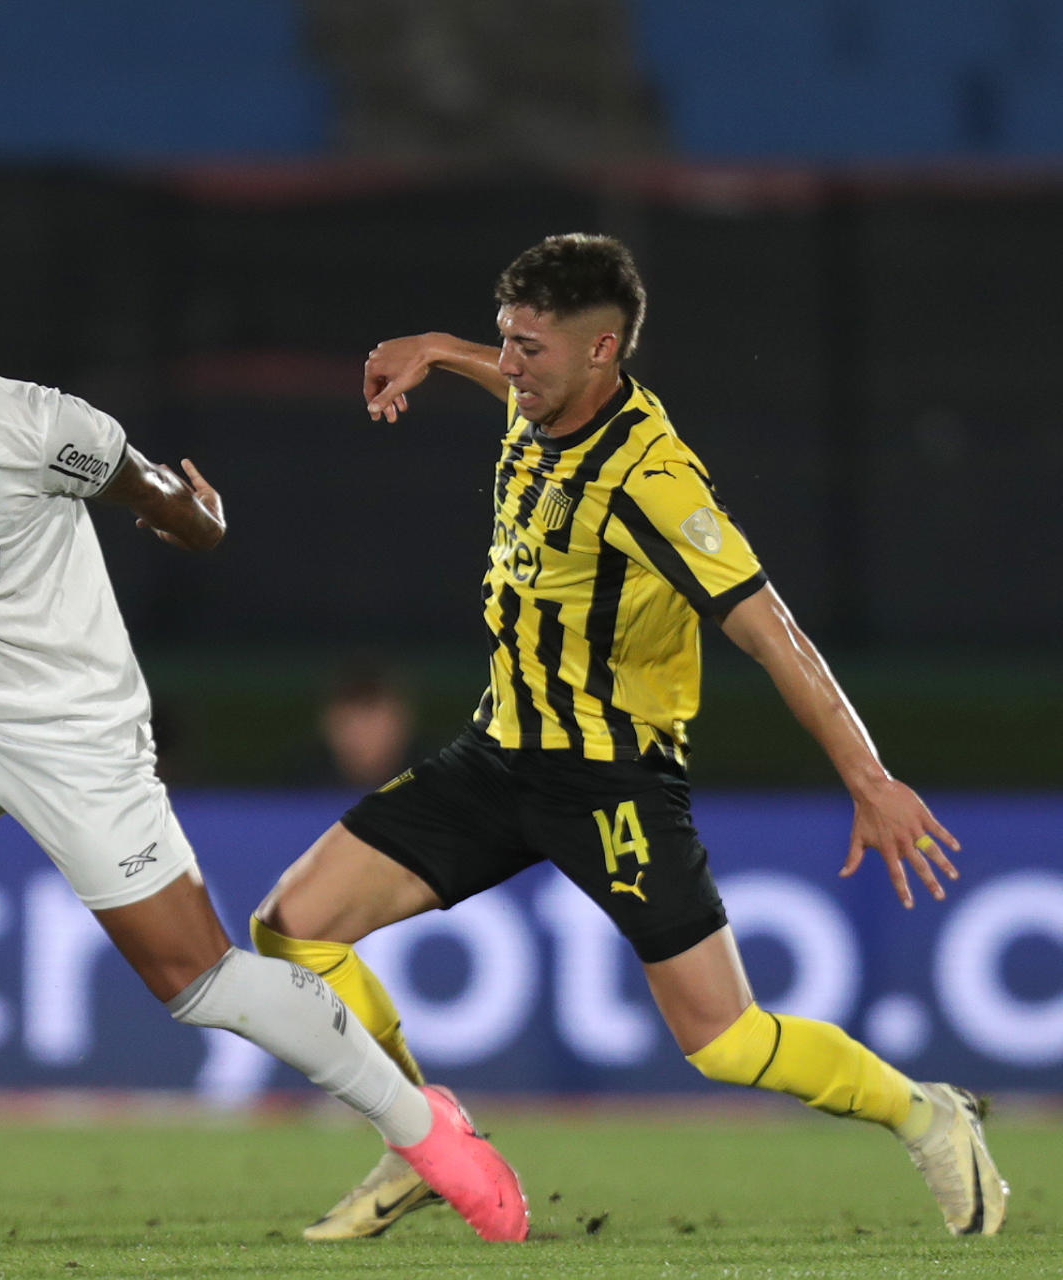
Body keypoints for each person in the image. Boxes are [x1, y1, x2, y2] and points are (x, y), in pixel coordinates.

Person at [0, 260, 532, 1248]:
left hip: (77, 731)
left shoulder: (38, 425)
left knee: (200, 982)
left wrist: (199, 518)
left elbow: (164, 500)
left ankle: (430, 1130)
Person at [250, 233, 1007, 1241]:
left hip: (613, 783)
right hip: (498, 755)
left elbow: (774, 634)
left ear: (603, 351)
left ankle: (927, 1111)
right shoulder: (537, 404)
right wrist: (439, 344)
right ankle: (421, 1136)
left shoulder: (654, 482)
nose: (511, 366)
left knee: (727, 1040)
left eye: (533, 349)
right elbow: (501, 375)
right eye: (504, 341)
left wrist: (868, 777)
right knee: (292, 926)